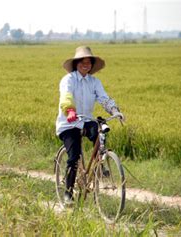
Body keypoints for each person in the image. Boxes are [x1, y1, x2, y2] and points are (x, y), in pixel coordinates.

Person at [55, 46, 125, 204]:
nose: (85, 64)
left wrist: (115, 110)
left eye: (88, 62)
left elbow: (103, 98)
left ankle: (100, 165)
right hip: (69, 123)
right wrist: (70, 111)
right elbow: (66, 97)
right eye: (82, 62)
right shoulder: (69, 80)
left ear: (91, 65)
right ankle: (68, 193)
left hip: (86, 120)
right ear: (76, 63)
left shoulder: (94, 82)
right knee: (74, 156)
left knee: (100, 131)